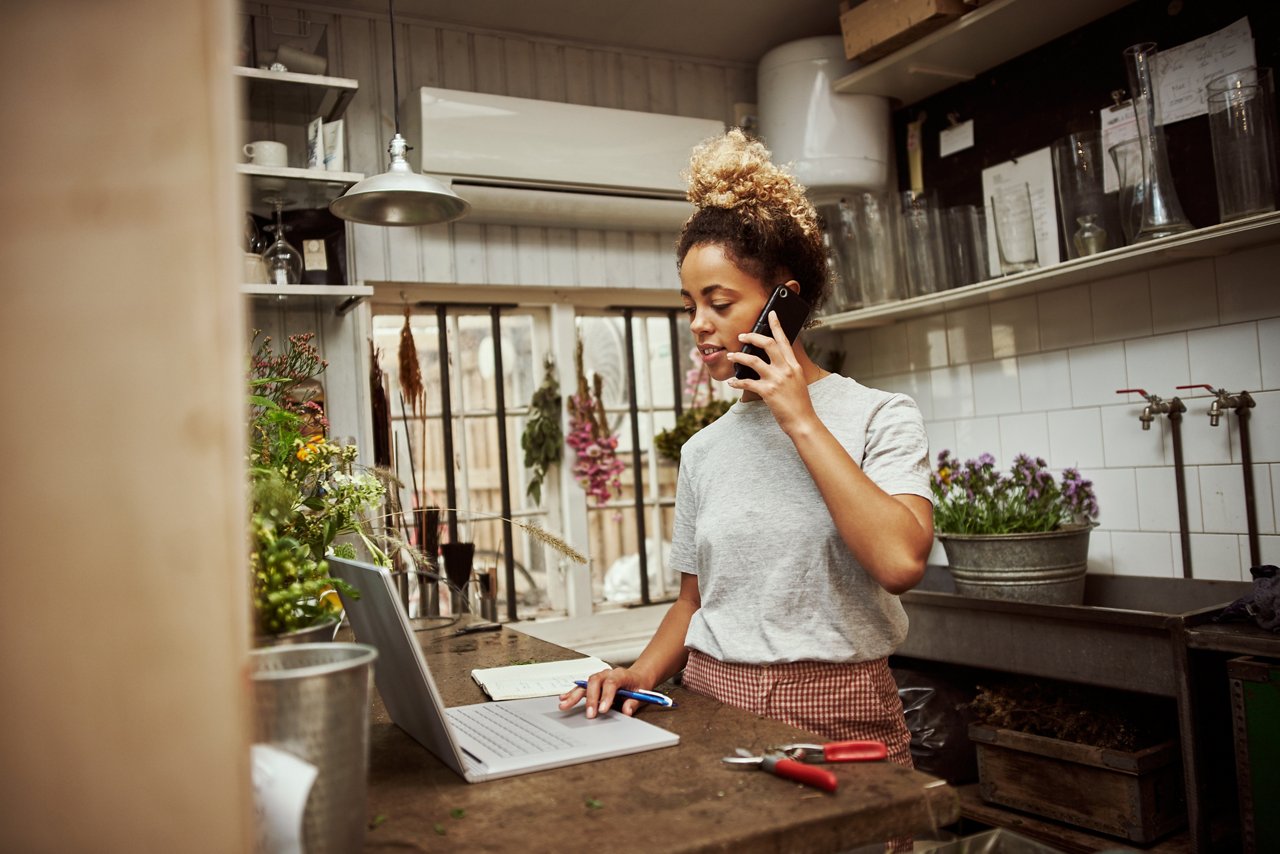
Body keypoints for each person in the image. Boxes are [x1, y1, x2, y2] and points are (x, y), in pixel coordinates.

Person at [558, 128, 934, 770]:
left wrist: (801, 419)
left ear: (782, 300)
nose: (699, 323)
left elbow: (901, 562)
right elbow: (694, 602)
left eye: (719, 302)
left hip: (838, 706)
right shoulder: (704, 451)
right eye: (690, 305)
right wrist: (637, 674)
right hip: (710, 700)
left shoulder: (879, 416)